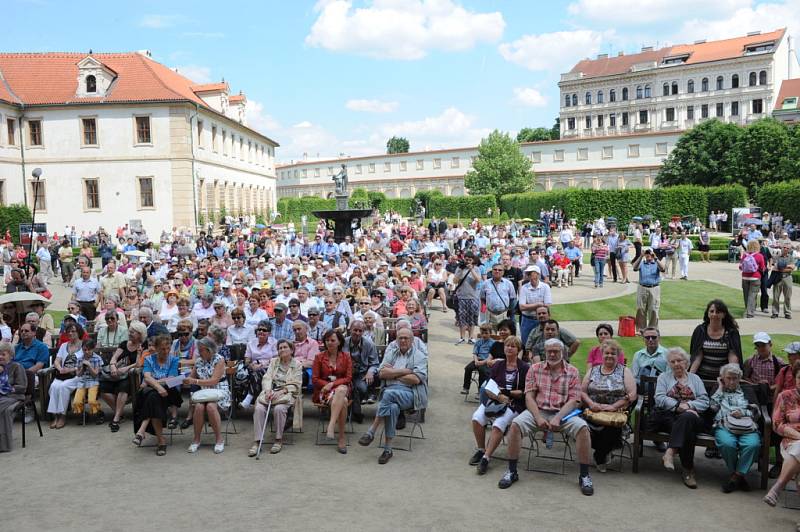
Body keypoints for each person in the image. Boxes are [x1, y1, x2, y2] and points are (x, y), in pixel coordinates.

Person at [495, 338, 594, 495]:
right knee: (515, 426)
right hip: (538, 410)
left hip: (563, 414)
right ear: (545, 352)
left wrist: (558, 418)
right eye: (549, 351)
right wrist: (538, 417)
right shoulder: (534, 369)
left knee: (583, 428)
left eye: (556, 351)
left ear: (563, 353)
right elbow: (529, 397)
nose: (552, 354)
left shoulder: (572, 371)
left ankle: (584, 475)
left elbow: (575, 400)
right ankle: (512, 471)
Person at [358, 327, 428, 464]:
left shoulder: (420, 356)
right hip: (391, 393)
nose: (402, 340)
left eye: (406, 338)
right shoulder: (392, 352)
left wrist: (393, 374)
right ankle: (388, 450)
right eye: (400, 338)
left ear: (412, 340)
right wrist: (404, 372)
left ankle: (372, 430)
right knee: (393, 408)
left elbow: (416, 379)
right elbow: (382, 373)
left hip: (411, 394)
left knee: (388, 394)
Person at [647, 347, 709, 489]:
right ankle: (688, 471)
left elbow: (705, 401)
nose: (676, 364)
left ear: (686, 362)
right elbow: (659, 398)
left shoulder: (695, 379)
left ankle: (670, 452)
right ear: (669, 364)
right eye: (672, 361)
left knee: (687, 418)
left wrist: (688, 406)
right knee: (687, 429)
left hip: (693, 417)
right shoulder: (664, 377)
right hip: (669, 417)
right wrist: (677, 406)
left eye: (679, 360)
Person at [471, 336, 530, 475]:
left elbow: (524, 392)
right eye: (507, 345)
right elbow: (488, 387)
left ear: (518, 350)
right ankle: (481, 449)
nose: (509, 348)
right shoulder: (498, 365)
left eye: (513, 346)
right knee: (477, 418)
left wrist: (506, 394)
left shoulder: (524, 368)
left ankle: (486, 458)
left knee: (499, 423)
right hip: (495, 400)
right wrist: (499, 396)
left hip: (514, 403)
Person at [581, 339, 637, 472]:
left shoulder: (624, 371)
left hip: (615, 413)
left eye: (613, 353)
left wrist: (614, 407)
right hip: (592, 411)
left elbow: (633, 394)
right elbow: (582, 391)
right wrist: (591, 403)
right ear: (602, 354)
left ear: (618, 356)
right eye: (607, 353)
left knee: (612, 427)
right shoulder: (593, 371)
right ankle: (604, 453)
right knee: (583, 426)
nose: (609, 356)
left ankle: (599, 456)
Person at [711, 363, 761, 493]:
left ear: (740, 378)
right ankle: (740, 475)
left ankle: (735, 477)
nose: (732, 381)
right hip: (724, 425)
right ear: (722, 378)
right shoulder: (718, 389)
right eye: (728, 378)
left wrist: (743, 413)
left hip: (746, 426)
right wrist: (721, 388)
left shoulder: (747, 390)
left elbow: (757, 412)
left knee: (753, 444)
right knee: (728, 444)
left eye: (735, 378)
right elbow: (712, 407)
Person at [249, 338, 303, 456]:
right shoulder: (274, 361)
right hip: (271, 391)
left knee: (279, 409)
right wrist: (268, 390)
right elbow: (267, 377)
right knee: (258, 408)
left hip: (287, 393)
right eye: (280, 348)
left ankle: (278, 440)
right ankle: (257, 441)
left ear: (292, 350)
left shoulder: (297, 364)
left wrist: (283, 390)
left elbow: (297, 384)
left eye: (285, 347)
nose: (282, 350)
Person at [132, 334, 182, 455]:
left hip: (170, 393)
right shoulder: (149, 359)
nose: (165, 351)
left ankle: (142, 430)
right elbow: (147, 376)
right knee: (154, 399)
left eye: (167, 348)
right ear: (156, 348)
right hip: (156, 393)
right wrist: (158, 386)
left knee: (152, 396)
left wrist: (153, 382)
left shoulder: (174, 360)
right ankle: (161, 441)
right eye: (162, 349)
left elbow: (171, 379)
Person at [184, 337, 230, 454]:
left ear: (209, 350)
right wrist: (185, 379)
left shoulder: (219, 359)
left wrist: (195, 382)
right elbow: (192, 377)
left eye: (201, 350)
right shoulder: (199, 361)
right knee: (199, 407)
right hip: (204, 393)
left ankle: (219, 439)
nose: (199, 352)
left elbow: (214, 381)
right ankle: (196, 440)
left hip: (219, 391)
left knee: (210, 406)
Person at [764, 360, 800, 507]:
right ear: (795, 378)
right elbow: (777, 424)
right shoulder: (785, 396)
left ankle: (777, 487)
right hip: (790, 441)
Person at [101, 320, 146, 432]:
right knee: (102, 387)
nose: (129, 334)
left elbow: (138, 364)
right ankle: (119, 413)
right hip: (117, 373)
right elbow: (114, 358)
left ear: (140, 334)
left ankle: (116, 418)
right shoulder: (124, 344)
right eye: (129, 332)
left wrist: (125, 369)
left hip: (131, 377)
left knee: (124, 386)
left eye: (132, 332)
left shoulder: (144, 346)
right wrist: (112, 367)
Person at [312, 329, 352, 454]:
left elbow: (348, 378)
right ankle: (341, 438)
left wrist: (332, 384)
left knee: (341, 390)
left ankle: (331, 424)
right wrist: (327, 385)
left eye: (333, 340)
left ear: (339, 342)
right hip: (324, 392)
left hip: (341, 388)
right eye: (327, 340)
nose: (329, 342)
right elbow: (314, 379)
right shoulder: (319, 357)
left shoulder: (346, 357)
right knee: (344, 401)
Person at [689, 299, 743, 381]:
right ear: (708, 313)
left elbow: (733, 356)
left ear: (723, 315)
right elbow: (697, 356)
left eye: (718, 312)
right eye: (711, 311)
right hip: (701, 376)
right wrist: (690, 377)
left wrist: (733, 377)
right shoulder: (700, 330)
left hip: (723, 378)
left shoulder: (731, 332)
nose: (714, 314)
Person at [46, 323, 85, 429]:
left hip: (77, 375)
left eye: (73, 331)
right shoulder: (64, 346)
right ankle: (55, 416)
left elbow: (85, 364)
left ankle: (62, 416)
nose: (70, 333)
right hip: (62, 374)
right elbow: (57, 361)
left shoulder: (83, 346)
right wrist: (60, 369)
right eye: (68, 332)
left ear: (79, 332)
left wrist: (71, 369)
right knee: (54, 386)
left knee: (63, 387)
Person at [345, 320, 379, 423]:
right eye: (355, 330)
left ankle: (353, 411)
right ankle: (354, 412)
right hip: (346, 373)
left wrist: (370, 372)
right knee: (348, 388)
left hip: (362, 373)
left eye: (360, 331)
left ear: (363, 332)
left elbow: (375, 363)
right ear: (350, 330)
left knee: (362, 388)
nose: (357, 333)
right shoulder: (344, 342)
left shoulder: (369, 344)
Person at [238, 320, 278, 409]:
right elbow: (247, 360)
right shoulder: (251, 343)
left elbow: (276, 359)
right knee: (254, 373)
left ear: (269, 333)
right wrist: (252, 365)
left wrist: (262, 365)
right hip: (253, 367)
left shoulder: (274, 343)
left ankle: (249, 397)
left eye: (264, 330)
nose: (261, 332)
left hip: (269, 368)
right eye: (259, 330)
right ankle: (254, 400)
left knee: (258, 373)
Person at [0, 343, 26, 452]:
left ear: (10, 355)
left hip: (14, 395)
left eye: (3, 354)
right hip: (2, 396)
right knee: (4, 410)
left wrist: (7, 387)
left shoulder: (17, 367)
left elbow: (22, 387)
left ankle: (4, 445)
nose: (0, 356)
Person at [517, 265, 552, 346]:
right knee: (526, 343)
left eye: (531, 273)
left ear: (538, 275)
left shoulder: (545, 287)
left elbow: (547, 305)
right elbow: (521, 307)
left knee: (542, 343)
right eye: (528, 273)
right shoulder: (524, 288)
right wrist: (538, 304)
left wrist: (529, 306)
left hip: (541, 320)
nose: (529, 275)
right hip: (527, 320)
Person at [632, 247, 665, 332]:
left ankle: (652, 329)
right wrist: (641, 256)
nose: (648, 255)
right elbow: (635, 268)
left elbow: (663, 269)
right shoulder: (642, 263)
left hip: (654, 287)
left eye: (649, 253)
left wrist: (656, 258)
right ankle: (641, 329)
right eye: (647, 253)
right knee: (640, 309)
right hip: (642, 287)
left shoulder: (656, 262)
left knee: (654, 309)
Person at [71, 339, 103, 423]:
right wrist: (82, 367)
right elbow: (78, 374)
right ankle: (83, 414)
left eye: (89, 349)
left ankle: (99, 413)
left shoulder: (97, 358)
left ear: (93, 349)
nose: (87, 351)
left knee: (91, 400)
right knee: (76, 402)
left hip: (93, 382)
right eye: (84, 350)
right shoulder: (80, 359)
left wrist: (89, 366)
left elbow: (95, 374)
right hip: (82, 382)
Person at [453, 253, 481, 345]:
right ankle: (462, 337)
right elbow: (455, 281)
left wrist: (471, 269)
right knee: (462, 318)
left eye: (470, 259)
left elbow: (478, 280)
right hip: (461, 297)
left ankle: (471, 337)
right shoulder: (459, 268)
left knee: (472, 318)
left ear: (473, 260)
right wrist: (461, 270)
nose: (467, 261)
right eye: (466, 259)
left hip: (473, 297)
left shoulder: (476, 269)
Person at [462, 324, 495, 395]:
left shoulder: (493, 343)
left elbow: (491, 356)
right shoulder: (478, 342)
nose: (484, 335)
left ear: (490, 333)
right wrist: (476, 360)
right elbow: (474, 353)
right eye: (482, 333)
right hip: (478, 360)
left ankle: (480, 391)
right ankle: (466, 388)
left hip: (486, 361)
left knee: (482, 371)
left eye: (486, 333)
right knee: (468, 368)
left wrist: (483, 362)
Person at [740, 239, 766, 318]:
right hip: (755, 277)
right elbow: (762, 268)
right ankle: (750, 313)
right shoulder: (759, 256)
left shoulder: (745, 255)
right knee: (752, 295)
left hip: (745, 277)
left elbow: (740, 267)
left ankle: (748, 309)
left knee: (746, 295)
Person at [771, 241, 795, 319]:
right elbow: (776, 268)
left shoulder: (791, 257)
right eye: (784, 247)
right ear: (781, 248)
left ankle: (787, 313)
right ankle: (775, 312)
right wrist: (787, 267)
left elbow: (792, 268)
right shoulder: (777, 256)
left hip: (787, 277)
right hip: (778, 277)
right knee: (776, 296)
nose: (785, 249)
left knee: (787, 296)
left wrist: (783, 267)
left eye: (787, 248)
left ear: (789, 250)